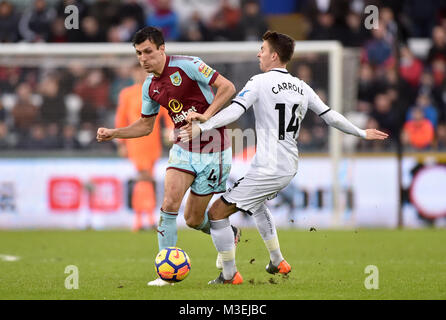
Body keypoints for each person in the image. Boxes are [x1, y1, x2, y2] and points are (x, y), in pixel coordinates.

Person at [180, 30, 389, 284]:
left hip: (270, 167)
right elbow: (330, 115)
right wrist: (361, 132)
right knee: (256, 205)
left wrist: (203, 125)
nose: (259, 53)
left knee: (216, 214)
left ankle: (229, 274)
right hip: (287, 164)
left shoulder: (259, 82)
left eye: (263, 49)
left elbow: (235, 110)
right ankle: (278, 261)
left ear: (274, 55)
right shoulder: (302, 86)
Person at [96, 26, 239, 286]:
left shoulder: (189, 65)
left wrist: (206, 116)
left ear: (162, 49)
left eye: (148, 52)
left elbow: (228, 88)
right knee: (169, 205)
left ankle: (228, 232)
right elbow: (145, 126)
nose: (143, 58)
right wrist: (114, 133)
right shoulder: (149, 87)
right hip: (183, 150)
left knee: (194, 220)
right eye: (139, 53)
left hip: (213, 149)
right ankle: (166, 275)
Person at [115, 64, 174, 232]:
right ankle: (143, 219)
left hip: (152, 142)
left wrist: (170, 129)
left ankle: (143, 219)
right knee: (143, 178)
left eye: (143, 71)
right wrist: (121, 142)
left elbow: (167, 112)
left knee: (148, 178)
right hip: (135, 141)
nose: (140, 74)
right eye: (137, 71)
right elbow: (121, 118)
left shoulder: (155, 91)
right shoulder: (127, 94)